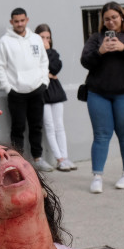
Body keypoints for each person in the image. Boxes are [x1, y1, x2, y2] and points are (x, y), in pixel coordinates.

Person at [80, 1, 124, 194]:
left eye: (114, 17)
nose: (111, 22)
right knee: (101, 135)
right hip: (98, 93)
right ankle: (97, 176)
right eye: (107, 19)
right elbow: (85, 61)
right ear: (103, 21)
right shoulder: (96, 39)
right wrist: (100, 51)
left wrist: (123, 48)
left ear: (122, 17)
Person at [0, 8, 53, 172]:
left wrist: (44, 83)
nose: (19, 24)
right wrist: (8, 88)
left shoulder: (35, 39)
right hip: (16, 93)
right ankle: (16, 161)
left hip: (36, 90)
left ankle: (38, 159)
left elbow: (43, 62)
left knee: (36, 126)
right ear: (11, 22)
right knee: (18, 128)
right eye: (16, 21)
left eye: (22, 20)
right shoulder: (5, 41)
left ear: (27, 20)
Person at [36, 23, 75, 171]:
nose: (46, 40)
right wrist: (47, 74)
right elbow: (37, 70)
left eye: (48, 38)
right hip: (42, 92)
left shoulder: (54, 53)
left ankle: (64, 157)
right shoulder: (34, 53)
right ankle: (59, 158)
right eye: (42, 37)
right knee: (49, 126)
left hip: (56, 91)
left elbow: (55, 67)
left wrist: (47, 52)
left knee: (59, 125)